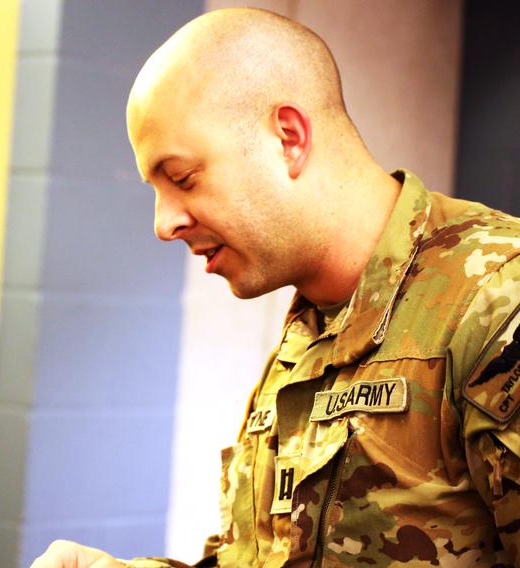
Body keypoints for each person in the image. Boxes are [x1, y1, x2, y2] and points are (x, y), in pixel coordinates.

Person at [31, 8, 520, 567]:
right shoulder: (309, 329)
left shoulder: (495, 300)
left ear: (288, 138)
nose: (163, 223)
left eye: (183, 178)